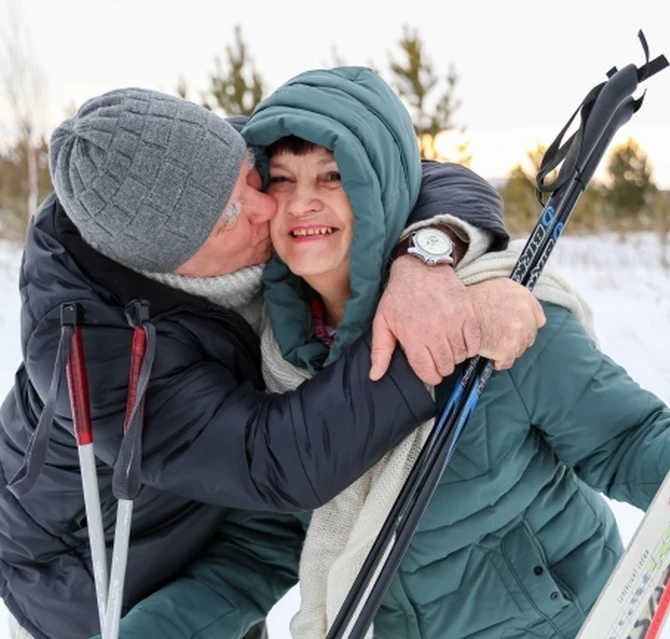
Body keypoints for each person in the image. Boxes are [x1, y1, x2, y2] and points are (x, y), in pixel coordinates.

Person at [238, 67, 670, 638]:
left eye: (332, 177)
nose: (301, 204)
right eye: (282, 181)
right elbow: (257, 540)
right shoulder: (276, 362)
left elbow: (625, 440)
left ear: (379, 187)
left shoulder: (496, 315)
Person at [0, 87, 547, 639]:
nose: (269, 206)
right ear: (174, 263)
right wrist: (444, 334)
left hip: (216, 531)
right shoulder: (99, 360)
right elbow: (278, 459)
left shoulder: (198, 163)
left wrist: (425, 259)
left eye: (249, 176)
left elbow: (408, 171)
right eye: (232, 215)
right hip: (89, 576)